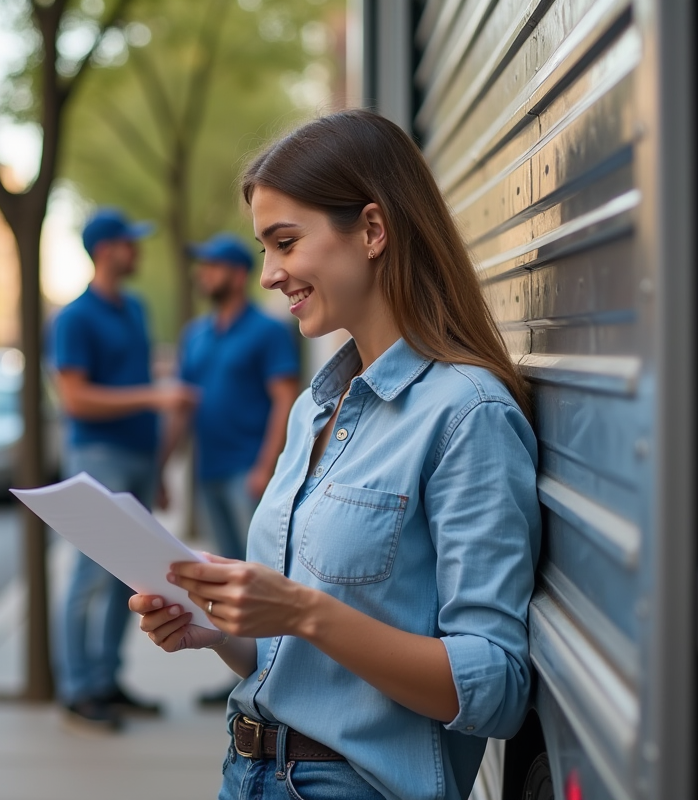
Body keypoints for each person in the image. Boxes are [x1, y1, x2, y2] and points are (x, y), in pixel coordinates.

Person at [130, 110, 540, 800]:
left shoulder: (468, 413)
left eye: (285, 242)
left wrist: (299, 610)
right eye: (263, 248)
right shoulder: (316, 409)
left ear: (373, 230)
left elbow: (494, 687)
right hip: (248, 772)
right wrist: (215, 630)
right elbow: (290, 657)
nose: (268, 274)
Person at [51, 207, 193, 733]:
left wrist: (157, 468)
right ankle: (77, 688)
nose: (139, 250)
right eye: (131, 243)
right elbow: (75, 399)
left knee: (124, 578)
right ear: (108, 249)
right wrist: (156, 396)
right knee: (90, 576)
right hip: (98, 457)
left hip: (135, 458)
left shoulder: (134, 308)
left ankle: (106, 680)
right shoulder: (74, 318)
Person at [160, 232, 300, 707]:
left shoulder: (268, 332)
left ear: (238, 274)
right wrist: (163, 467)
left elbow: (285, 399)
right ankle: (243, 668)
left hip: (248, 472)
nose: (204, 274)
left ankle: (278, 673)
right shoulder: (195, 334)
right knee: (224, 574)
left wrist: (265, 465)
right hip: (210, 472)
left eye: (212, 266)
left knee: (256, 572)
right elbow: (183, 407)